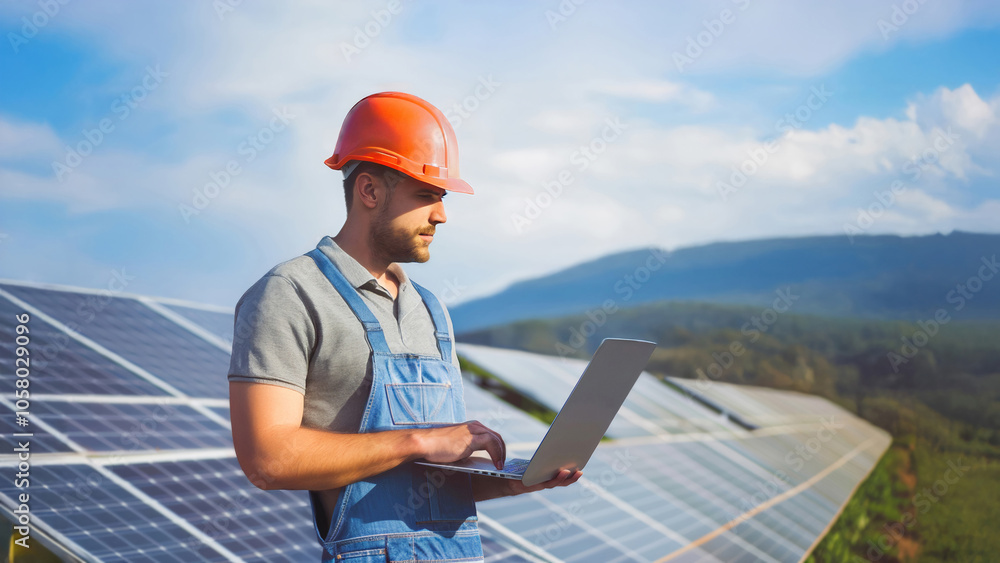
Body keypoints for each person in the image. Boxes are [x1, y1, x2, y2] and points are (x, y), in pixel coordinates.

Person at [228, 91, 582, 562]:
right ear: (369, 190)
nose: (442, 214)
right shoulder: (288, 294)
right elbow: (267, 460)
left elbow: (429, 484)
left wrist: (518, 480)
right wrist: (420, 441)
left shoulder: (430, 310)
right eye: (426, 196)